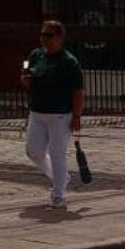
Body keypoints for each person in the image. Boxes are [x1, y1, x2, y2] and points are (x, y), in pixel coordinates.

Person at [21, 21, 84, 210]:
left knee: (57, 153)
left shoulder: (68, 61)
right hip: (37, 112)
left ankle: (58, 194)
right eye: (42, 35)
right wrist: (26, 80)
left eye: (49, 35)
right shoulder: (36, 55)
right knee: (33, 151)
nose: (44, 39)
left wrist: (77, 115)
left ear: (59, 37)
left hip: (60, 114)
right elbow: (31, 78)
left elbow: (78, 91)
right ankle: (61, 178)